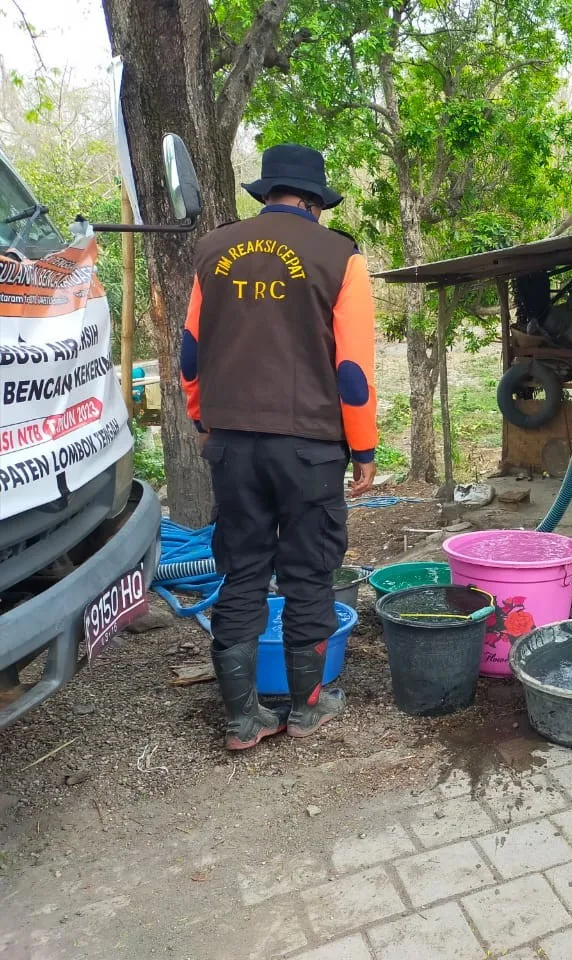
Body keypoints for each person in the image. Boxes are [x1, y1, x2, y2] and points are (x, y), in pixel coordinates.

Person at [180, 144, 379, 750]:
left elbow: (190, 354)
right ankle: (307, 709)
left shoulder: (213, 250)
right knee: (308, 573)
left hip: (232, 445)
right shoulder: (340, 257)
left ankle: (242, 719)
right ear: (316, 202)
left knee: (241, 572)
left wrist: (203, 419)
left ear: (266, 194)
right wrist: (364, 449)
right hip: (309, 449)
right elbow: (352, 372)